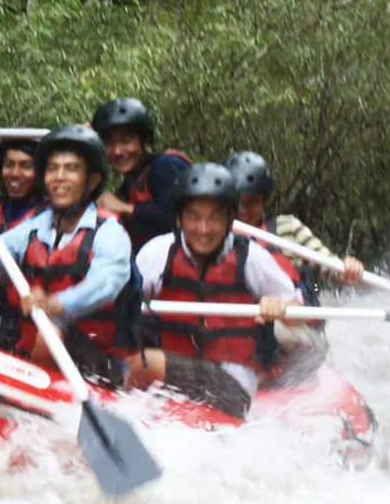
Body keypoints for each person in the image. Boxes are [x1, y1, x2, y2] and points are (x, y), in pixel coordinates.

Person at [0, 124, 133, 384]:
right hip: (32, 364)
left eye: (71, 168)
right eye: (52, 168)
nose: (59, 177)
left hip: (94, 364)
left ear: (92, 181)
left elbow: (106, 283)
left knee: (49, 330)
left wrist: (54, 304)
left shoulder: (109, 231)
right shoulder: (33, 229)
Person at [125, 161, 300, 419]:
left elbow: (301, 313)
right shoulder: (157, 253)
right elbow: (122, 302)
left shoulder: (253, 258)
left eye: (214, 217)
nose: (203, 229)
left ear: (230, 219)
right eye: (194, 217)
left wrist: (281, 308)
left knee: (143, 364)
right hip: (173, 379)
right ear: (179, 218)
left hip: (232, 387)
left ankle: (118, 420)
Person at [222, 150, 365, 306]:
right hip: (241, 320)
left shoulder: (287, 227)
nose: (242, 211)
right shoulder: (215, 236)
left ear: (264, 201)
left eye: (252, 202)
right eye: (237, 202)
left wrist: (345, 270)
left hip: (291, 319)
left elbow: (326, 262)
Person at [92, 97, 191, 253]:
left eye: (126, 140)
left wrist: (124, 208)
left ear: (144, 141)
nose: (117, 151)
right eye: (109, 143)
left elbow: (179, 220)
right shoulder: (128, 186)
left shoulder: (165, 166)